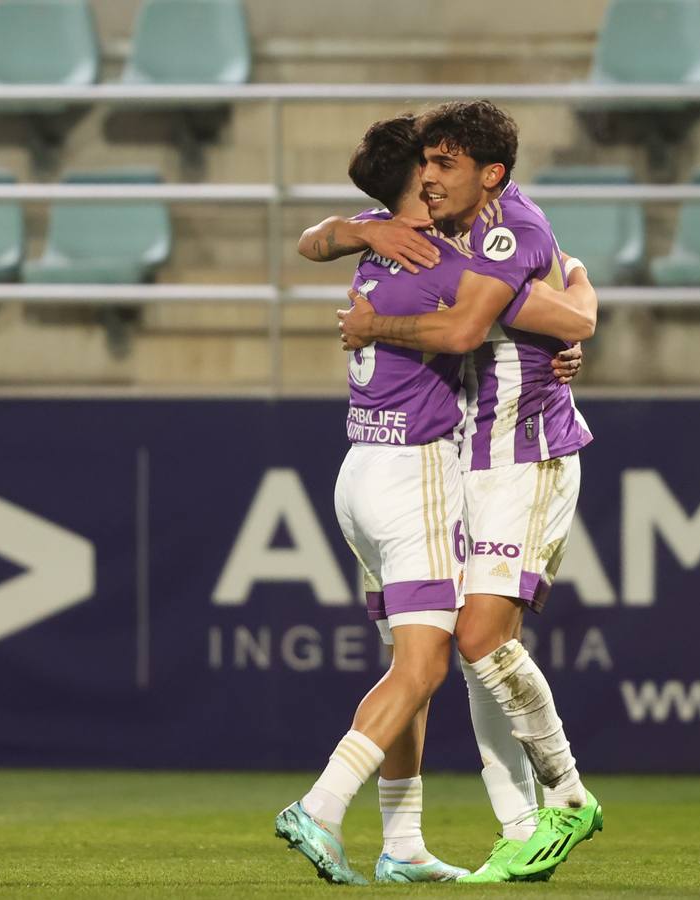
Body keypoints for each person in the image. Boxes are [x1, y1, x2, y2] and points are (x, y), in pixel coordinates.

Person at [274, 114, 593, 885]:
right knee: (437, 657)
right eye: (425, 165)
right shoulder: (440, 250)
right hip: (423, 468)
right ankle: (389, 820)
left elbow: (311, 243)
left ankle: (426, 831)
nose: (432, 177)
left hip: (425, 461)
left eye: (443, 163)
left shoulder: (439, 239)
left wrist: (359, 262)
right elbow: (563, 313)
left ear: (485, 173)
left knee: (457, 647)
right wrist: (577, 295)